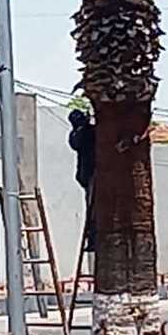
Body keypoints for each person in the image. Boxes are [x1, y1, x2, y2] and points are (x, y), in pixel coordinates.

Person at [68, 107, 95, 252]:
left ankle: (92, 238)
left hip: (87, 174)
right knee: (93, 208)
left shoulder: (78, 133)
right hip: (90, 174)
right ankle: (93, 239)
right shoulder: (81, 133)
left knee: (92, 207)